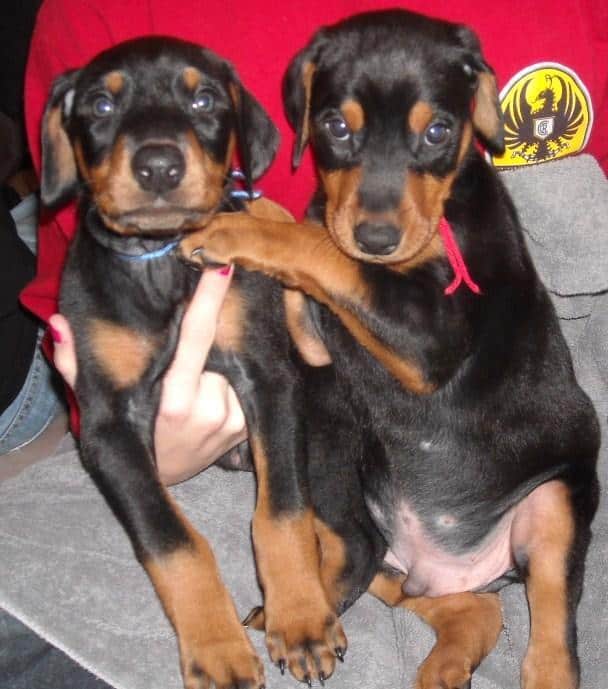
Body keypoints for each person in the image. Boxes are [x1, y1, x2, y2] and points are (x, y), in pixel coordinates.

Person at [2, 0, 606, 686]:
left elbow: (423, 356)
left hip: (513, 469)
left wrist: (283, 242)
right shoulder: (101, 18)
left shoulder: (463, 189)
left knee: (553, 506)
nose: (380, 208)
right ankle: (451, 609)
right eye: (336, 131)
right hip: (368, 475)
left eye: (435, 131)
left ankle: (551, 657)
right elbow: (310, 354)